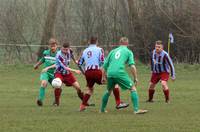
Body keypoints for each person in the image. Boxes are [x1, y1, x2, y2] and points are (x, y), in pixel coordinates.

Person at [78, 36, 129, 111]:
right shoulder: (99, 49)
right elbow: (102, 62)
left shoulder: (85, 51)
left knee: (90, 89)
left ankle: (82, 106)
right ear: (97, 42)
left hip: (88, 72)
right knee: (114, 83)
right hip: (96, 71)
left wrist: (84, 72)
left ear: (89, 42)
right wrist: (105, 74)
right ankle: (118, 103)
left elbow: (79, 63)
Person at [100, 37, 147, 114]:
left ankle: (102, 109)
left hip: (110, 73)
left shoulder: (112, 51)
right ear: (127, 44)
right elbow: (132, 66)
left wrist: (103, 77)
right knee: (133, 88)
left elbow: (104, 66)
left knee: (108, 91)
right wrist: (135, 78)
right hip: (119, 72)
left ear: (119, 43)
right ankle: (136, 110)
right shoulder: (128, 52)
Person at [34, 38, 59, 106]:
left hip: (54, 74)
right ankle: (40, 100)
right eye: (51, 46)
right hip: (46, 72)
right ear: (49, 46)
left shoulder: (59, 54)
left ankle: (56, 101)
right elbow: (43, 59)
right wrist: (37, 65)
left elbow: (57, 64)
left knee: (57, 88)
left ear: (57, 46)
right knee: (44, 83)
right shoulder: (46, 52)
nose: (53, 47)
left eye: (54, 46)